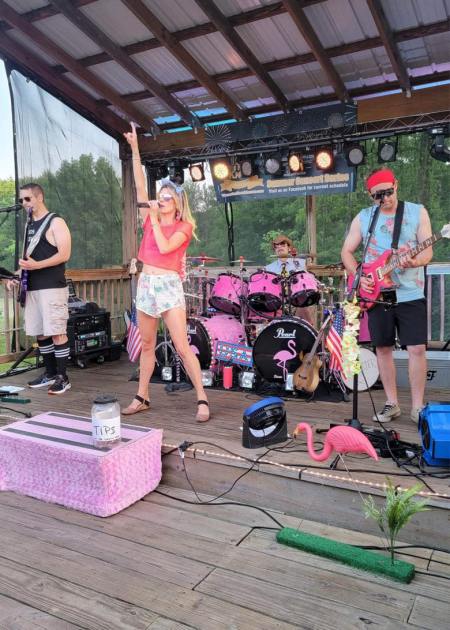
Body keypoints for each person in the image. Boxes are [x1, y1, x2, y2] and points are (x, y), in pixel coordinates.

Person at [122, 122, 210, 422]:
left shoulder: (184, 226)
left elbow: (165, 246)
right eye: (159, 195)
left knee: (182, 346)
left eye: (166, 197)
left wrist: (155, 220)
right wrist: (135, 148)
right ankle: (142, 396)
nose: (160, 199)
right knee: (147, 344)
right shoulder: (151, 218)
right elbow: (139, 185)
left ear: (177, 203)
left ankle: (202, 398)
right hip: (147, 283)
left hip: (169, 285)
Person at [341, 168, 433, 423]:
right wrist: (360, 276)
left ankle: (418, 407)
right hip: (376, 293)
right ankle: (391, 403)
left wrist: (414, 261)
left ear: (396, 185)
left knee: (416, 348)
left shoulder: (417, 212)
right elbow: (346, 252)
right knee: (382, 348)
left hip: (410, 291)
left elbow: (427, 251)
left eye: (388, 192)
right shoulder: (364, 218)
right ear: (370, 196)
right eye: (378, 195)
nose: (385, 198)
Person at [6, 183, 72, 394]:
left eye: (28, 199)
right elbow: (29, 261)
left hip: (52, 287)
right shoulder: (28, 226)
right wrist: (15, 276)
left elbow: (64, 254)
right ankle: (50, 373)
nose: (24, 203)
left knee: (57, 332)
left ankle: (63, 377)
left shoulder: (56, 221)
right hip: (32, 288)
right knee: (41, 333)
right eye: (21, 200)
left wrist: (37, 266)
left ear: (39, 197)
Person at [265, 234, 314, 325]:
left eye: (283, 245)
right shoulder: (269, 268)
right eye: (276, 246)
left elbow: (307, 282)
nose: (279, 247)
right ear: (274, 250)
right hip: (278, 300)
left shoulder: (300, 263)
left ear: (289, 248)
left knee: (305, 304)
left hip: (297, 298)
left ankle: (306, 329)